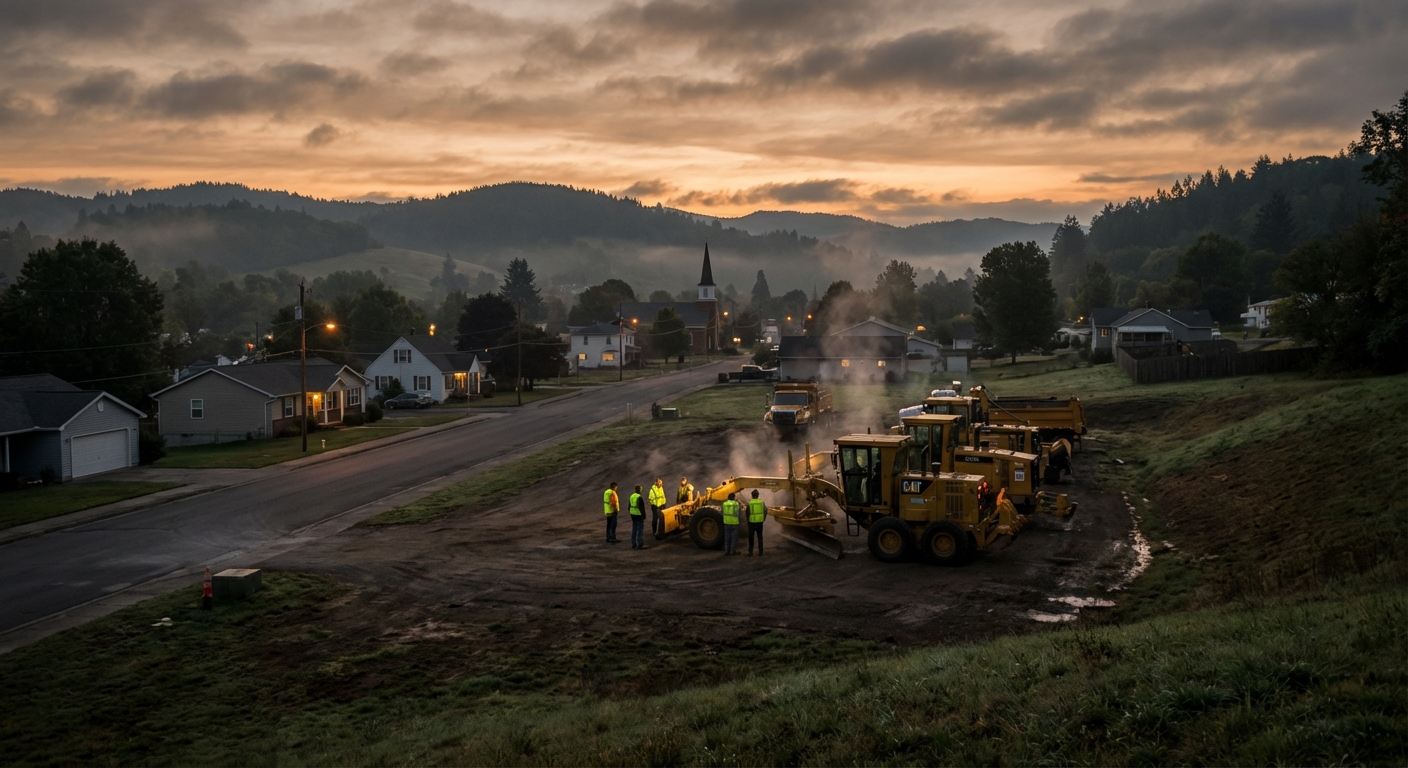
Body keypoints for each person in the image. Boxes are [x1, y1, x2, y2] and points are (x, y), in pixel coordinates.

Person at [746, 489, 766, 556]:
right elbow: (765, 511)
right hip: (760, 522)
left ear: (752, 495)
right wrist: (763, 519)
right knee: (760, 537)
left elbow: (747, 513)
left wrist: (748, 521)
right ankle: (761, 552)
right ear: (758, 495)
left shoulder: (750, 503)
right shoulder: (762, 502)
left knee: (751, 538)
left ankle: (750, 552)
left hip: (751, 523)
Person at [629, 484, 646, 549]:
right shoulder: (639, 497)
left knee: (634, 529)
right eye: (641, 489)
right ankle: (640, 543)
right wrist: (644, 516)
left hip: (633, 515)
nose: (641, 491)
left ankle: (633, 544)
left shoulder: (632, 496)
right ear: (639, 490)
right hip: (638, 515)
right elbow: (642, 508)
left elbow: (629, 506)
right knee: (640, 530)